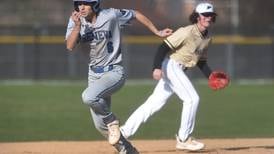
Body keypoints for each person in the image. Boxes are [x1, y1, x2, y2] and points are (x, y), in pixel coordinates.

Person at [65, 0, 172, 153]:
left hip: (114, 71)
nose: (81, 7)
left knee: (88, 97)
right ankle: (127, 150)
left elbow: (136, 14)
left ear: (94, 4)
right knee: (99, 125)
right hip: (94, 74)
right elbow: (69, 46)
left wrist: (157, 31)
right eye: (79, 4)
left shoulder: (110, 15)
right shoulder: (76, 20)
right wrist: (77, 26)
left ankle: (111, 120)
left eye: (86, 3)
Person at [120, 2, 217, 151]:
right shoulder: (186, 32)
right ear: (197, 17)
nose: (208, 18)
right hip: (172, 66)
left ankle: (123, 132)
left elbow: (201, 62)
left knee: (153, 103)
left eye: (211, 15)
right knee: (192, 99)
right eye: (205, 15)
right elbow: (163, 47)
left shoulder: (206, 38)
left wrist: (211, 76)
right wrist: (156, 68)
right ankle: (184, 139)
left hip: (179, 70)